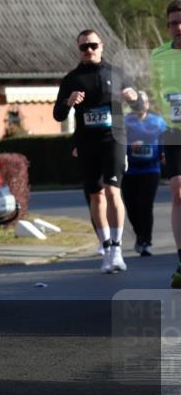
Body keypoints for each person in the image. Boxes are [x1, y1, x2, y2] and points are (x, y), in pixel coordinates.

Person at [53, 29, 138, 274]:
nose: (88, 50)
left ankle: (118, 249)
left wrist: (133, 98)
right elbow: (58, 114)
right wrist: (69, 102)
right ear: (79, 50)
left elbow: (139, 103)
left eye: (92, 45)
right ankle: (106, 245)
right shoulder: (71, 79)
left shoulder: (117, 73)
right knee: (96, 195)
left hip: (113, 139)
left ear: (101, 46)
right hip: (87, 142)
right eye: (83, 47)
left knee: (113, 191)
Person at [149, 0, 181, 288]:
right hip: (173, 132)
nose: (178, 27)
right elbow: (157, 91)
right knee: (178, 193)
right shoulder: (158, 55)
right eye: (172, 23)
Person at [122, 91, 166, 257]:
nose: (142, 104)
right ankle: (140, 234)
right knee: (131, 207)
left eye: (144, 101)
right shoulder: (126, 122)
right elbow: (116, 141)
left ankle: (146, 240)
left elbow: (166, 139)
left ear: (148, 104)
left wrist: (163, 153)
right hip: (129, 170)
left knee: (145, 206)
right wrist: (129, 146)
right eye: (138, 102)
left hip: (150, 169)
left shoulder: (157, 121)